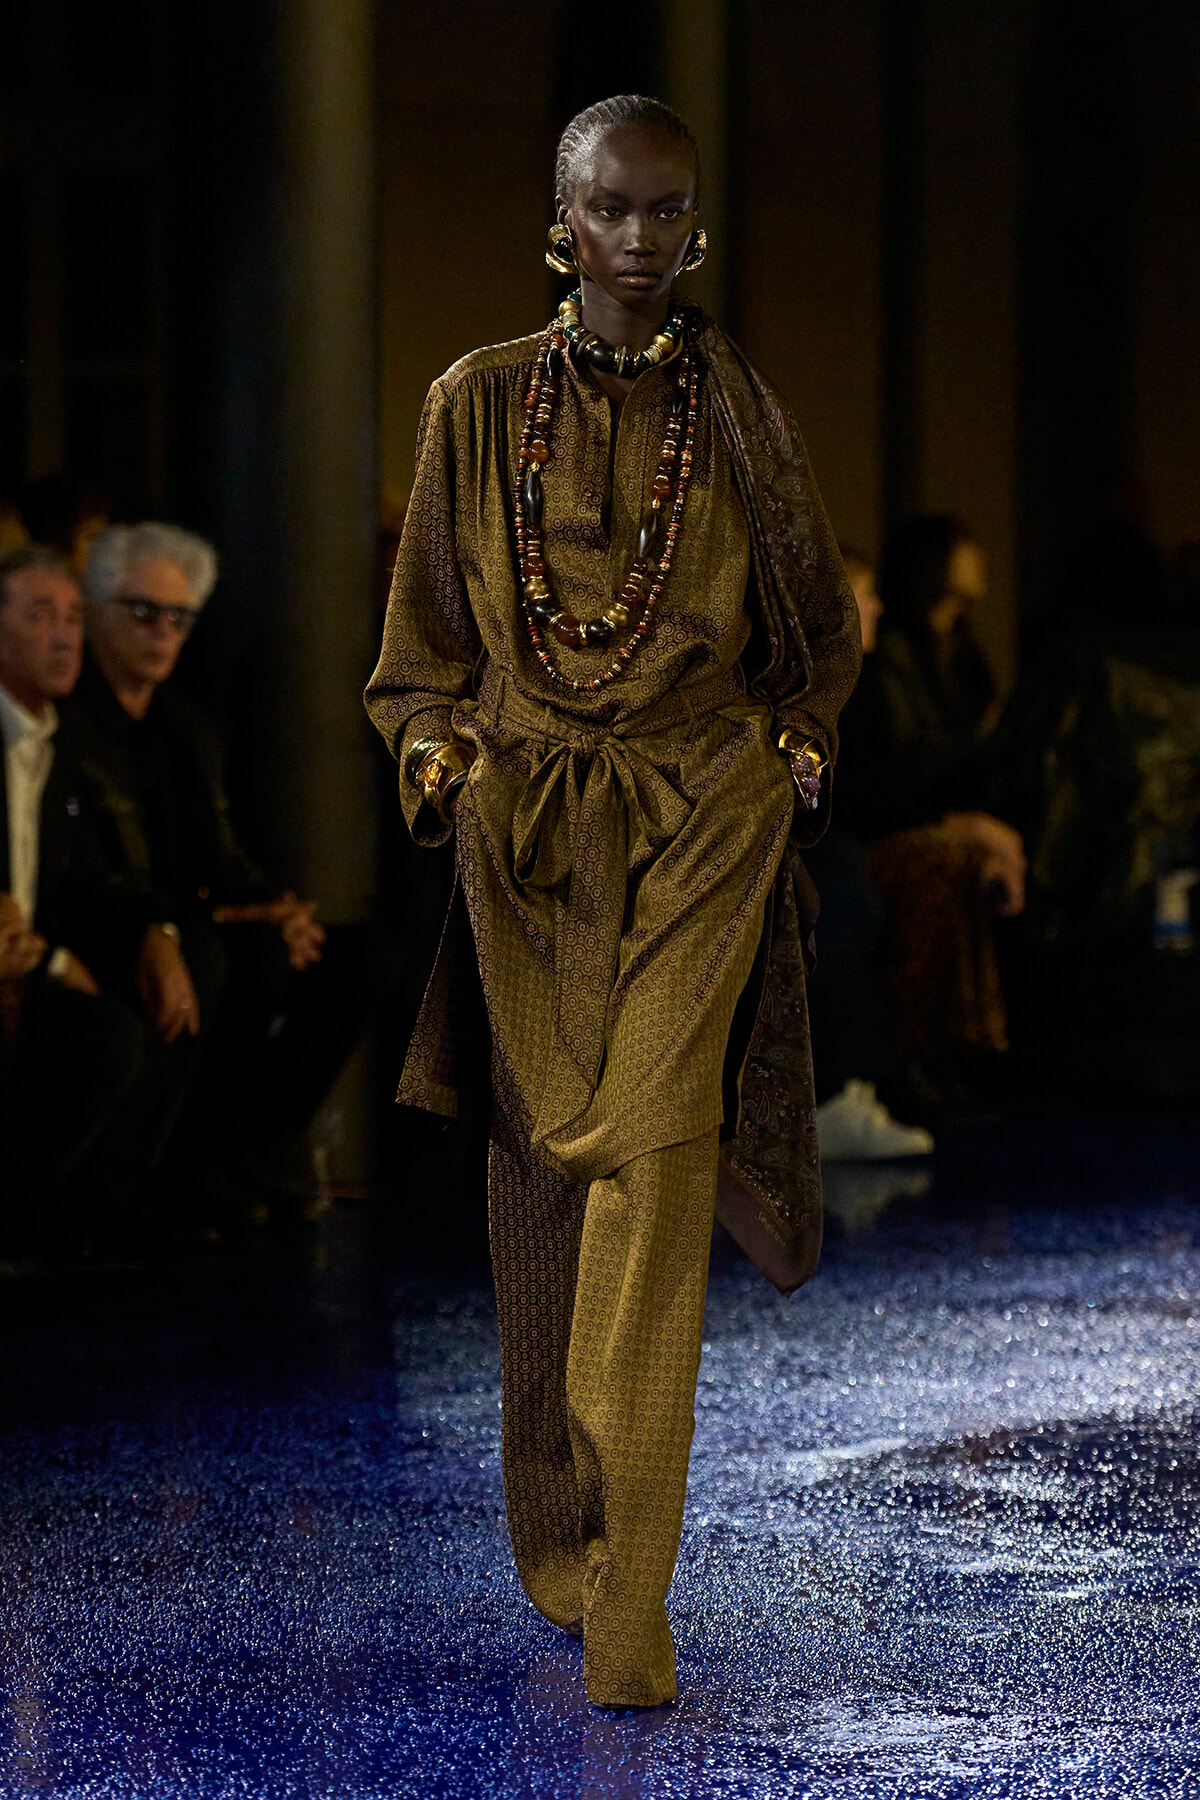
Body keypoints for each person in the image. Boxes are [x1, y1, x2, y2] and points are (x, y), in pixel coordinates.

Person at [365, 96, 860, 1708]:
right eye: (615, 209)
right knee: (544, 1199)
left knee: (655, 1155)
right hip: (529, 841)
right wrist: (441, 757)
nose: (645, 238)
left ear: (695, 228)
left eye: (671, 212)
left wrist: (795, 739)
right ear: (561, 222)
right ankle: (564, 1549)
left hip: (702, 818)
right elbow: (418, 651)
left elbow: (818, 619)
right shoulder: (476, 402)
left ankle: (630, 1591)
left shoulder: (744, 414)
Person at [71, 521, 379, 1218]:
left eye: (178, 618)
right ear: (96, 610)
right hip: (135, 925)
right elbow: (88, 875)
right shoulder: (73, 723)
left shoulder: (183, 728)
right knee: (243, 956)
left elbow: (223, 854)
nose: (163, 633)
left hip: (197, 918)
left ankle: (248, 1157)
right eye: (143, 612)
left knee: (361, 957)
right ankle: (178, 1174)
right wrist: (217, 917)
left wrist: (278, 905)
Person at [835, 517, 1025, 1111]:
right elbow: (884, 779)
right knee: (942, 861)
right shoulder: (884, 662)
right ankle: (919, 1060)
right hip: (880, 829)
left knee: (976, 857)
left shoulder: (962, 652)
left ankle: (970, 1051)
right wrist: (959, 818)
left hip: (915, 818)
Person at [0, 547, 148, 1258]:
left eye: (71, 620)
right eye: (39, 617)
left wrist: (161, 933)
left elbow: (79, 881)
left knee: (125, 1018)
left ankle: (55, 1221)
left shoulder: (63, 742)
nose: (63, 638)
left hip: (27, 961)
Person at [808, 549, 934, 1159]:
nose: (878, 605)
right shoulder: (815, 685)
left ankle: (861, 1086)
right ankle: (839, 1094)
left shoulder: (870, 680)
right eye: (864, 591)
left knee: (850, 879)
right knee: (839, 884)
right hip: (803, 844)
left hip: (844, 839)